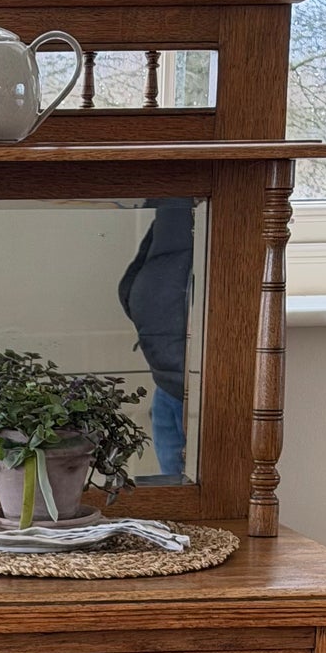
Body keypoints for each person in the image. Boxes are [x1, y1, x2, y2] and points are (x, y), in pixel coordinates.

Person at [117, 197, 195, 480]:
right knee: (177, 490)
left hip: (193, 383)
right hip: (167, 377)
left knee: (188, 494)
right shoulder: (174, 196)